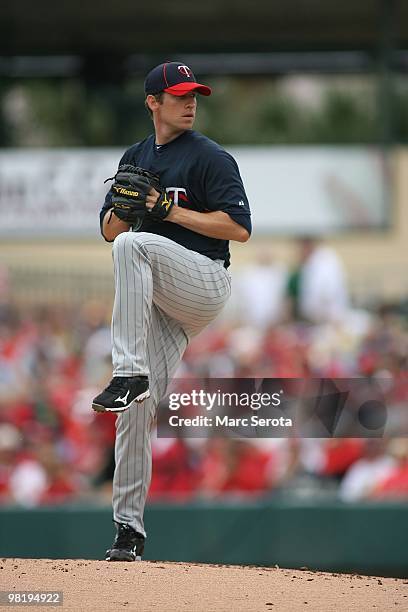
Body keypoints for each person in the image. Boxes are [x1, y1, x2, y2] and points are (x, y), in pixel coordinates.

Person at [91, 61, 251, 561]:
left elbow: (239, 228)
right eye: (179, 94)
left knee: (133, 249)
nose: (190, 101)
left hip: (203, 280)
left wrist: (167, 211)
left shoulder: (210, 157)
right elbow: (109, 230)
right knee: (136, 411)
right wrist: (124, 208)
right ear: (152, 102)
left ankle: (128, 371)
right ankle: (128, 531)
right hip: (161, 299)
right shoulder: (135, 156)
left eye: (194, 93)